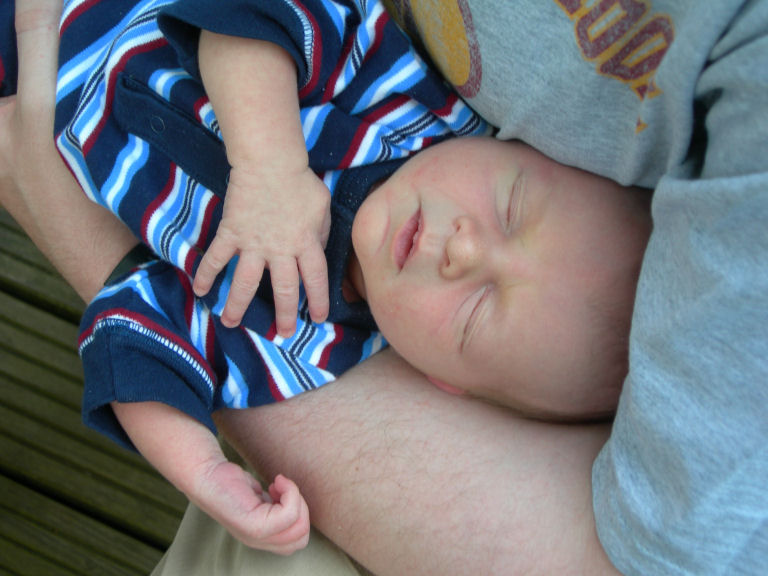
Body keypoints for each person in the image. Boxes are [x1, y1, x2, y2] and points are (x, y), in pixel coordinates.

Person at [4, 1, 766, 575]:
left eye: (476, 313)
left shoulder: (303, 343)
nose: (464, 250)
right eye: (510, 206)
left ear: (441, 381)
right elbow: (256, 11)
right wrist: (267, 164)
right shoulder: (402, 106)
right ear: (522, 149)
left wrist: (203, 471)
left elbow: (140, 343)